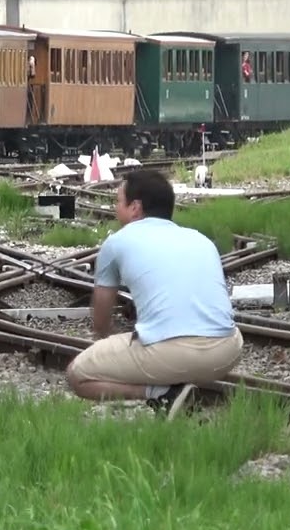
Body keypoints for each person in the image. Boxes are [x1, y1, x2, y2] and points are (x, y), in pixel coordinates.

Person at [65, 169, 243, 419]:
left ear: (135, 207)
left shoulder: (117, 242)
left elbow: (101, 322)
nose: (115, 209)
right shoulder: (200, 239)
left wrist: (112, 342)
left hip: (170, 355)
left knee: (77, 374)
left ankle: (160, 393)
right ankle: (178, 389)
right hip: (226, 351)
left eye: (118, 201)